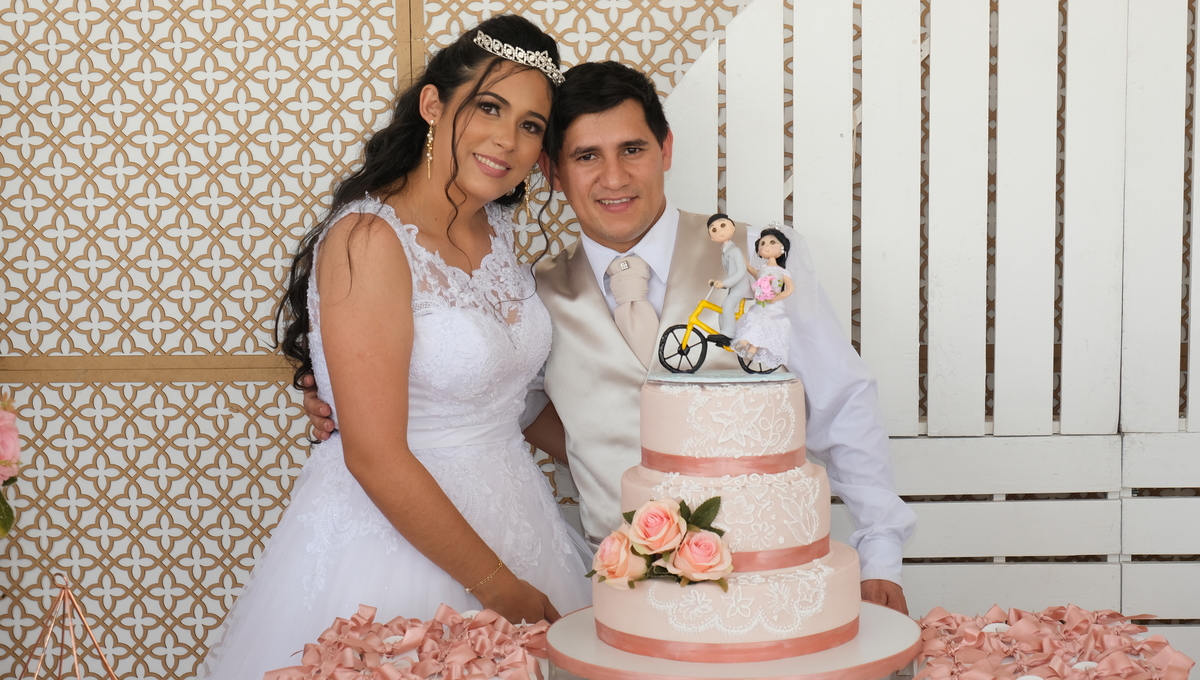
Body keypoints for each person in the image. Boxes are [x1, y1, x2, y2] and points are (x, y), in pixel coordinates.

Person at [306, 60, 916, 615]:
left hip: (768, 584)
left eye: (632, 149)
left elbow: (842, 402)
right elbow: (492, 397)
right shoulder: (531, 299)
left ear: (666, 149)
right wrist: (339, 392)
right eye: (586, 157)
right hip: (620, 591)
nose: (614, 177)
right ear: (552, 171)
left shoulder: (759, 259)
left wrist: (881, 554)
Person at [167, 16, 591, 680]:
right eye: (488, 108)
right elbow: (373, 452)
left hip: (516, 517)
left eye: (531, 125)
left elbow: (510, 398)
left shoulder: (496, 230)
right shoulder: (368, 240)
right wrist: (501, 590)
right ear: (433, 105)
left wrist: (630, 468)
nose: (507, 140)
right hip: (397, 541)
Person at [733, 226, 794, 368]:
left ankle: (752, 347)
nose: (766, 246)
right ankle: (747, 343)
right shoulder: (761, 270)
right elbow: (750, 269)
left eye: (772, 242)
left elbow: (790, 288)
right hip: (760, 304)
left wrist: (776, 297)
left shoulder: (781, 272)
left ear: (782, 247)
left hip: (774, 307)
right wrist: (740, 257)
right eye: (762, 243)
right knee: (754, 320)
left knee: (765, 324)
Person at [706, 212, 752, 339]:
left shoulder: (735, 251)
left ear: (733, 228)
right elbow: (731, 272)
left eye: (723, 226)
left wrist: (724, 283)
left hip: (741, 286)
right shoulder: (725, 252)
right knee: (722, 310)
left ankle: (729, 335)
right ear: (712, 238)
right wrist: (720, 283)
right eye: (714, 230)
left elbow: (741, 271)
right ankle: (723, 334)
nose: (719, 231)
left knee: (727, 306)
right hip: (734, 286)